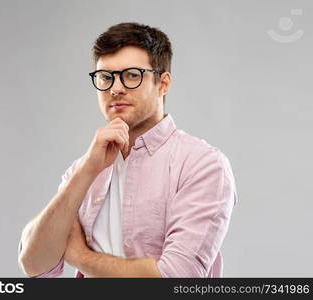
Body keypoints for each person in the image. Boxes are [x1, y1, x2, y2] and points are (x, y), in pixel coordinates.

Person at [18, 22, 238, 278]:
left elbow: (176, 277)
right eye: (105, 77)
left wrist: (79, 256)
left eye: (132, 75)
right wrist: (87, 170)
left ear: (163, 83)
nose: (116, 88)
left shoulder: (202, 165)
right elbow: (34, 265)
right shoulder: (84, 169)